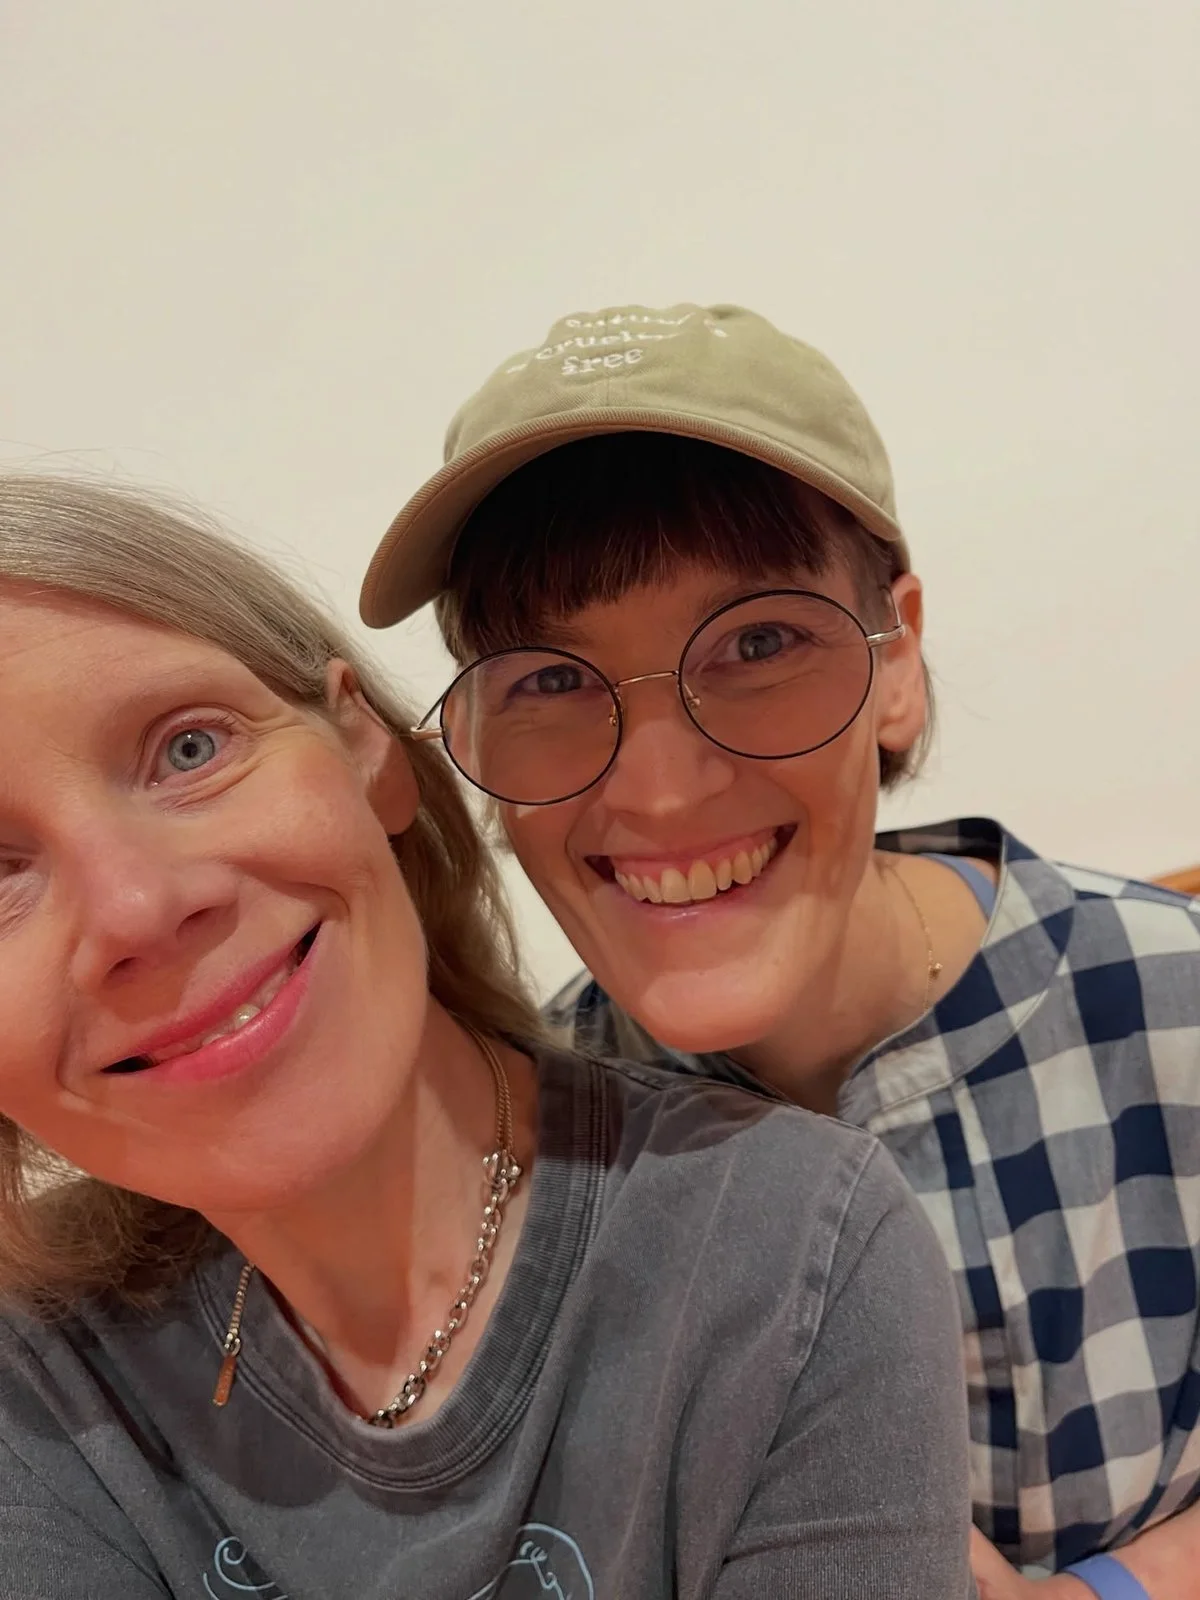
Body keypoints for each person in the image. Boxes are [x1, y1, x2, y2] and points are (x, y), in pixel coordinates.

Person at [0, 474, 974, 1599]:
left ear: (368, 748)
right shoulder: (36, 1374)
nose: (138, 909)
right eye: (553, 677)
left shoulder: (790, 1244)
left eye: (188, 750)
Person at [360, 302, 1200, 1597]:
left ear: (898, 659)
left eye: (758, 643)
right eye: (551, 679)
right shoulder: (513, 1160)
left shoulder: (1168, 1003)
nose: (658, 792)